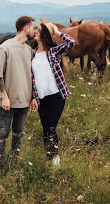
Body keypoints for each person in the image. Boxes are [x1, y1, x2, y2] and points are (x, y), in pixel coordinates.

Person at [31, 17, 76, 167]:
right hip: (41, 98)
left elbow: (71, 43)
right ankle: (49, 158)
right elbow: (31, 79)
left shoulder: (53, 51)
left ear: (44, 34)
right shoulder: (31, 54)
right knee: (45, 129)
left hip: (56, 96)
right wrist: (33, 98)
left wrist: (58, 33)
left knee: (50, 127)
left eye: (38, 29)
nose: (35, 31)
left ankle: (55, 161)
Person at [0, 16, 37, 169]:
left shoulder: (29, 50)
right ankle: (0, 165)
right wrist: (4, 97)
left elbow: (32, 76)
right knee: (3, 134)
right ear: (26, 29)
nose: (34, 30)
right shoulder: (4, 48)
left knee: (18, 133)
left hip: (24, 100)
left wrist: (33, 97)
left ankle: (14, 162)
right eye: (33, 28)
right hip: (8, 101)